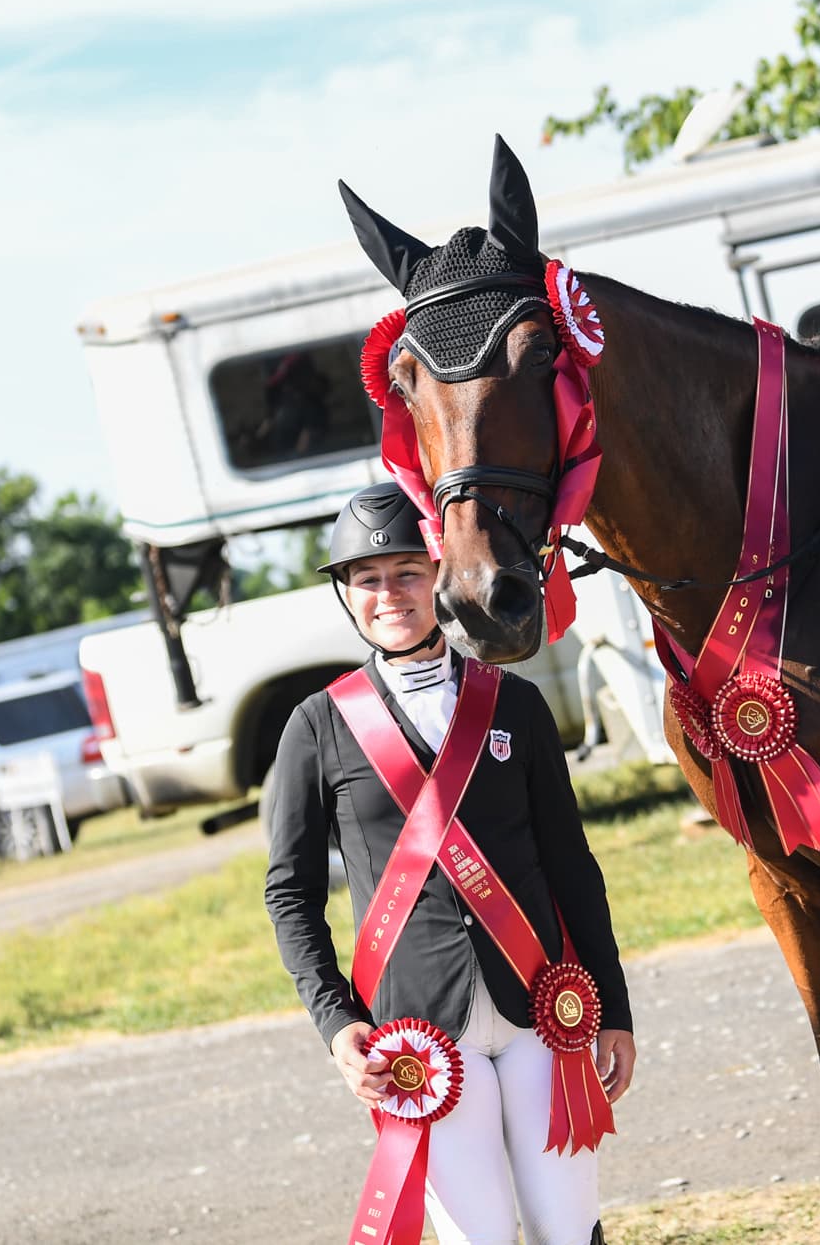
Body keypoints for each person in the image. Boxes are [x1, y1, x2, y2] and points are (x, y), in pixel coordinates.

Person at [263, 483, 635, 1245]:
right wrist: (336, 1021)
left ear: (439, 571)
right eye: (367, 579)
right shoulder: (317, 725)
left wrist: (616, 1008)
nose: (388, 594)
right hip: (418, 1032)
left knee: (571, 1229)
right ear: (346, 593)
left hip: (543, 1007)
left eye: (406, 571)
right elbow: (291, 895)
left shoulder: (516, 704)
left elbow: (571, 862)